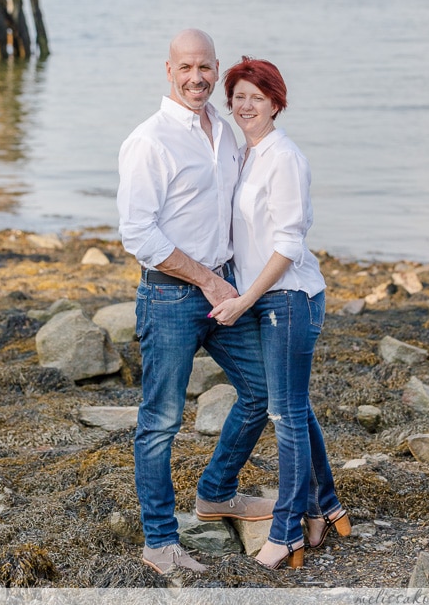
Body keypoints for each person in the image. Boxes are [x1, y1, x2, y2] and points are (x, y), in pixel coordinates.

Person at [117, 30, 275, 575]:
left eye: (205, 66)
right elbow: (138, 234)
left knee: (264, 390)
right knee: (160, 422)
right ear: (168, 70)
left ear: (216, 68)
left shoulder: (225, 133)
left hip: (226, 292)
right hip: (171, 297)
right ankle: (160, 541)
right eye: (186, 67)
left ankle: (216, 492)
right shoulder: (150, 141)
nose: (197, 78)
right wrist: (207, 280)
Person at [210, 56, 351, 570]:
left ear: (276, 102)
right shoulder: (246, 154)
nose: (246, 106)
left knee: (285, 415)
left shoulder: (284, 157)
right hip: (266, 299)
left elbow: (289, 244)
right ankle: (325, 505)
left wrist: (245, 299)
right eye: (239, 97)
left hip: (288, 298)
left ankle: (287, 530)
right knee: (296, 407)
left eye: (256, 96)